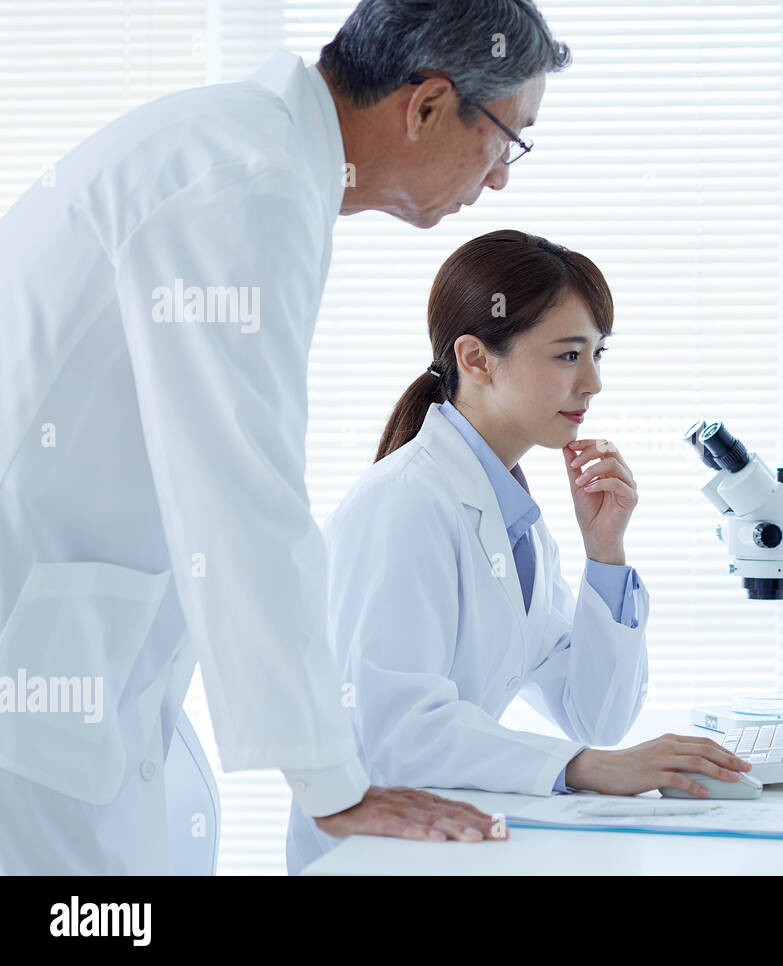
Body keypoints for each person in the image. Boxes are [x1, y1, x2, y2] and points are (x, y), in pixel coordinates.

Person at [0, 0, 568, 875]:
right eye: (508, 137)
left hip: (74, 649)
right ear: (425, 105)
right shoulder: (246, 179)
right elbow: (241, 489)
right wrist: (334, 782)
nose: (499, 180)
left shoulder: (257, 158)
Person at [285, 231, 751, 873]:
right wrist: (589, 770)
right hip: (374, 857)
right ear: (476, 358)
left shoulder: (518, 521)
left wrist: (606, 555)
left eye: (596, 354)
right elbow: (397, 733)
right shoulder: (404, 503)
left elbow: (595, 715)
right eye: (567, 355)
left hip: (448, 844)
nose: (591, 383)